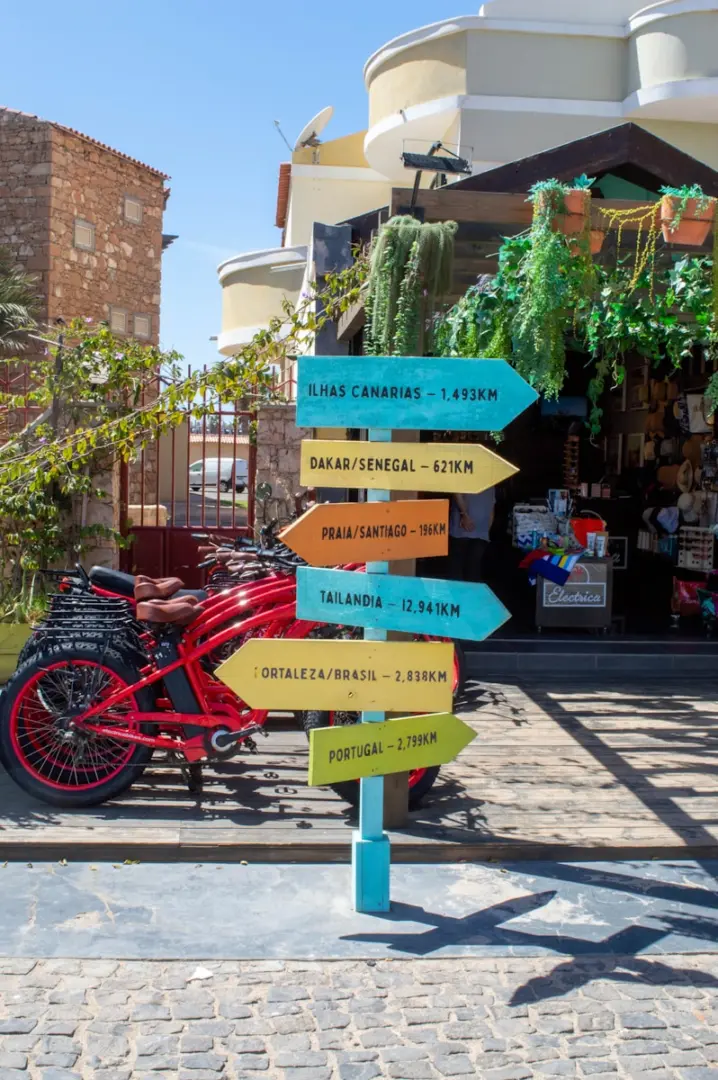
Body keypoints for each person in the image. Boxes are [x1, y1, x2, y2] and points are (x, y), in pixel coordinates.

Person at [448, 488, 495, 583]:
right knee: (469, 571)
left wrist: (464, 514)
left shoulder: (490, 483)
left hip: (472, 530)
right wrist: (464, 514)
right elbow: (492, 507)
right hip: (467, 530)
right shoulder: (490, 481)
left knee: (463, 571)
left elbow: (492, 507)